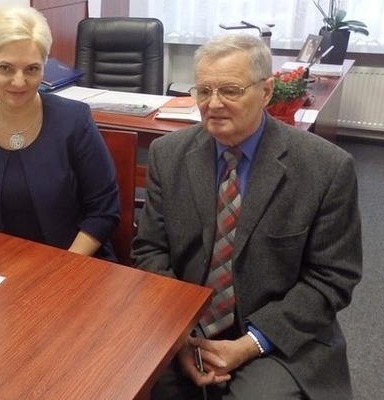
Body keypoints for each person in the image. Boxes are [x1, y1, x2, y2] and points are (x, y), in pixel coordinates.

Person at [133, 34, 362, 400]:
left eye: (230, 90)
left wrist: (249, 344)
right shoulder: (168, 154)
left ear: (266, 92)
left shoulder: (325, 168)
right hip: (185, 323)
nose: (213, 104)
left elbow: (332, 278)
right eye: (204, 91)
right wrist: (181, 336)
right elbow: (150, 250)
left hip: (279, 334)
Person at [0, 5, 120, 261]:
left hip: (75, 262)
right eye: (5, 68)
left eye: (32, 69)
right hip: (0, 263)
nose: (19, 82)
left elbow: (103, 211)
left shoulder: (74, 120)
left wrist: (63, 267)